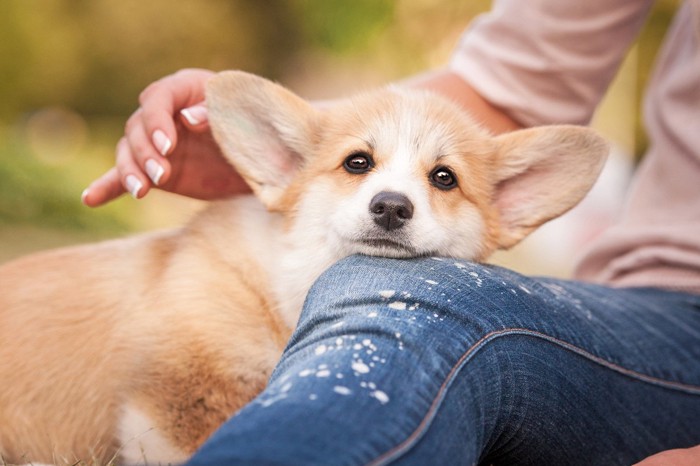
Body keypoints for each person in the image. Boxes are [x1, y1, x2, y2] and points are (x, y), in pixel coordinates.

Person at [82, 1, 700, 464]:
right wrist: (305, 133)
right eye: (359, 165)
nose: (394, 200)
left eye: (442, 178)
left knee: (412, 299)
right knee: (386, 293)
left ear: (502, 208)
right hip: (644, 302)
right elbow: (509, 89)